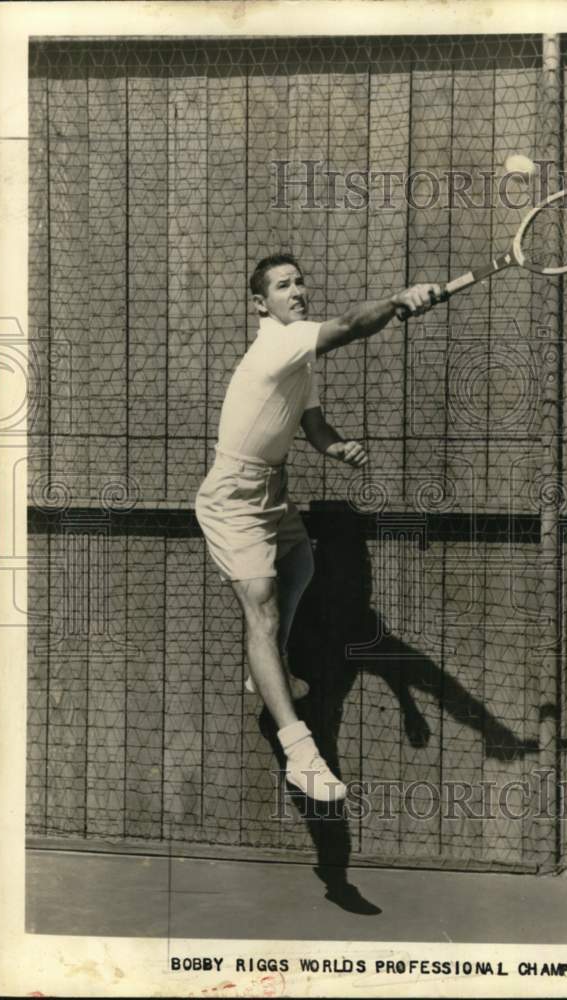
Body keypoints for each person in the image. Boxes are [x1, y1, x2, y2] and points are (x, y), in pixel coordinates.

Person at [195, 253, 440, 801]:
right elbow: (352, 326)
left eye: (300, 282)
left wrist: (337, 447)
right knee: (262, 609)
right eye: (283, 286)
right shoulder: (280, 344)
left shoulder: (297, 360)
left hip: (271, 491)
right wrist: (400, 300)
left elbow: (312, 425)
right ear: (261, 304)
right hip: (234, 497)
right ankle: (299, 750)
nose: (297, 291)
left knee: (301, 565)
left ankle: (265, 673)